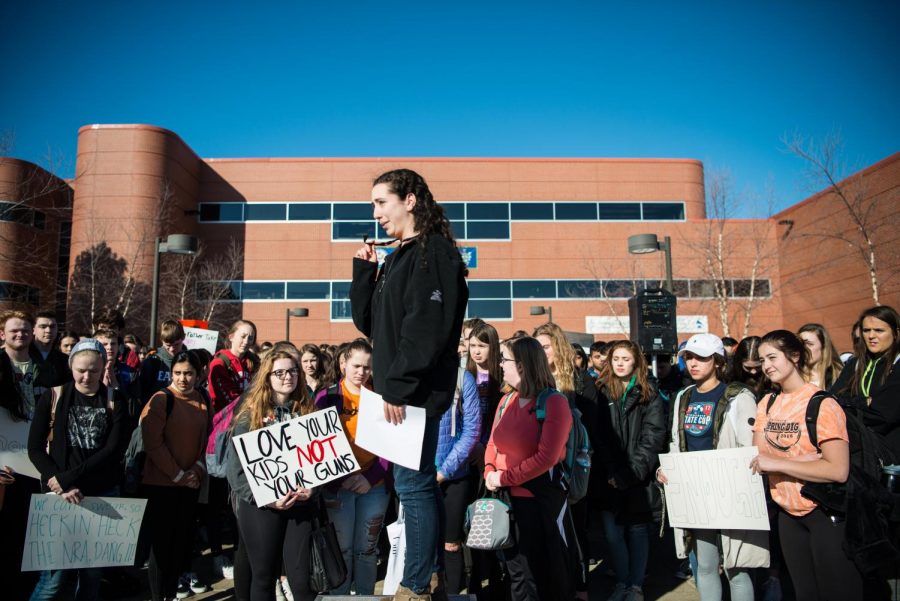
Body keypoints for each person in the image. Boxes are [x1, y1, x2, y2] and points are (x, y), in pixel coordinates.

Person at [350, 168, 468, 601]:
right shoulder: (400, 255)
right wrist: (365, 273)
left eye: (382, 202)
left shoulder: (432, 252)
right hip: (400, 392)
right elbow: (370, 324)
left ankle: (416, 586)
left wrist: (397, 387)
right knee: (414, 487)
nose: (376, 213)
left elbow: (427, 329)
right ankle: (430, 577)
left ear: (410, 200)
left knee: (413, 487)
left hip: (413, 395)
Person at [750, 330, 862, 600]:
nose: (766, 366)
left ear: (795, 356)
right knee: (804, 594)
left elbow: (836, 469)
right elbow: (756, 459)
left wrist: (778, 463)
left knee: (837, 593)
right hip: (787, 514)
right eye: (762, 360)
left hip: (824, 512)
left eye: (773, 357)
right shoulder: (767, 402)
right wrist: (800, 460)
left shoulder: (822, 403)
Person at [657, 334, 767, 601]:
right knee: (704, 567)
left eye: (702, 358)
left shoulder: (738, 396)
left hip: (731, 492)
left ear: (718, 362)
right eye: (689, 357)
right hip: (696, 494)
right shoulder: (683, 396)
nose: (693, 363)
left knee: (737, 569)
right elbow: (676, 441)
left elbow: (749, 447)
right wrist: (668, 470)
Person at [27, 339, 127, 601]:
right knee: (53, 580)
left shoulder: (115, 399)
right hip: (59, 498)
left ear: (103, 368)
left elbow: (112, 451)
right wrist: (59, 483)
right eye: (81, 369)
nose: (87, 376)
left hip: (100, 494)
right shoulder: (53, 395)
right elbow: (35, 449)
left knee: (92, 578)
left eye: (94, 370)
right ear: (71, 366)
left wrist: (67, 479)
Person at [484, 336, 575, 600]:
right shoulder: (506, 401)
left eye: (504, 359)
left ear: (522, 365)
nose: (500, 365)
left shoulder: (553, 402)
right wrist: (490, 470)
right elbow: (492, 442)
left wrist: (503, 478)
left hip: (539, 502)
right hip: (507, 503)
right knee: (517, 573)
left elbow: (547, 457)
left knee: (543, 573)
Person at [225, 348, 317, 601]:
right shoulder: (248, 414)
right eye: (280, 372)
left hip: (299, 504)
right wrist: (267, 498)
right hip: (261, 507)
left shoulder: (308, 409)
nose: (287, 377)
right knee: (264, 578)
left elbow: (319, 459)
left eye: (292, 371)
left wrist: (313, 487)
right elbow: (235, 472)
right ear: (267, 376)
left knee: (301, 580)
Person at [315, 339, 392, 595]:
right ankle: (339, 597)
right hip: (339, 486)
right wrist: (340, 478)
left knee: (367, 550)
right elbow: (317, 445)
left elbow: (391, 443)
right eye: (356, 366)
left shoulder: (381, 397)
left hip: (374, 485)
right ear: (343, 364)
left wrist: (370, 477)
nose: (362, 372)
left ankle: (365, 596)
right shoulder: (327, 397)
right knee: (343, 549)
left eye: (367, 367)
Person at [596, 340, 666, 601]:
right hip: (609, 476)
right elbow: (599, 435)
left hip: (639, 477)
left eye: (626, 359)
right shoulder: (601, 391)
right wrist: (614, 471)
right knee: (613, 534)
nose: (620, 363)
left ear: (636, 362)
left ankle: (635, 585)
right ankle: (623, 582)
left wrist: (630, 473)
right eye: (616, 359)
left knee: (637, 532)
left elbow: (653, 437)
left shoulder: (649, 392)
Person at [139, 351, 210, 601]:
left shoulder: (202, 399)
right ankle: (159, 596)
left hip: (190, 485)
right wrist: (178, 474)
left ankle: (170, 594)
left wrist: (197, 471)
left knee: (180, 545)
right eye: (178, 373)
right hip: (161, 485)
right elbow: (153, 444)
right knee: (161, 548)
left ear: (198, 374)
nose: (183, 379)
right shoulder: (161, 399)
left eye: (189, 373)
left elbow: (207, 442)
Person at [533, 321, 597, 596]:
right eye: (538, 347)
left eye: (546, 346)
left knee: (574, 532)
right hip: (540, 466)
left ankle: (580, 588)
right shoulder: (532, 379)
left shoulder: (580, 381)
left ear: (558, 348)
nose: (542, 352)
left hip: (571, 466)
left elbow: (591, 429)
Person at [830, 306, 900, 456]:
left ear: (895, 333)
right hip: (855, 448)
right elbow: (831, 402)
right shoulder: (855, 363)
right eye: (866, 330)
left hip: (890, 455)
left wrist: (848, 403)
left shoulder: (898, 364)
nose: (871, 336)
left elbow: (884, 415)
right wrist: (865, 402)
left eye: (879, 330)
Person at [139, 320, 187, 406]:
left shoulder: (190, 361)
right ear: (161, 340)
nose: (172, 349)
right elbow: (142, 393)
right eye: (168, 345)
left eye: (176, 344)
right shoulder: (152, 361)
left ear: (183, 338)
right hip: (156, 412)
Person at [31, 310, 72, 389]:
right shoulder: (24, 355)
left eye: (52, 327)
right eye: (43, 327)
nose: (48, 330)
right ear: (33, 330)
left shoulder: (64, 360)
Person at [798, 323, 844, 389]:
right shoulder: (796, 378)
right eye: (801, 344)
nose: (804, 349)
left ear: (823, 347)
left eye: (809, 344)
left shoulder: (840, 375)